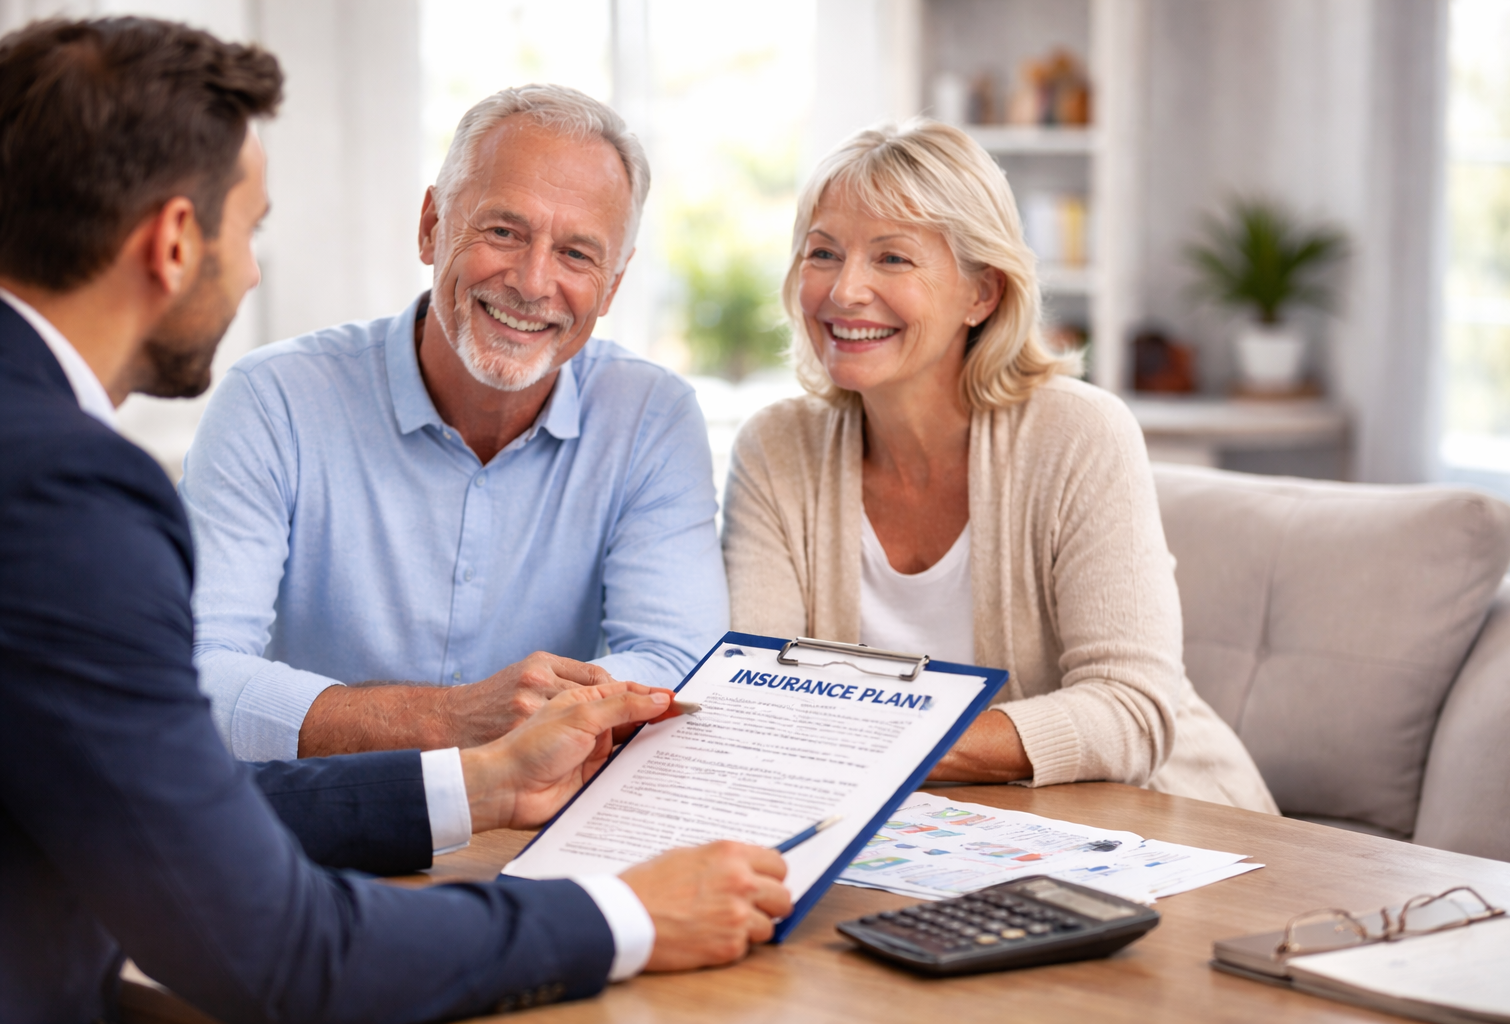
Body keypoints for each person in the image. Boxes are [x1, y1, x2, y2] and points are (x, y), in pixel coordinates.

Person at [0, 18, 790, 1023]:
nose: (252, 274)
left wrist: (480, 782)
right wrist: (624, 916)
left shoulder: (40, 454)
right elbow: (279, 946)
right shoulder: (68, 488)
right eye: (252, 230)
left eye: (575, 252)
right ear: (174, 242)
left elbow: (154, 797)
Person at [721, 119, 1278, 813]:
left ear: (981, 293)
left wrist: (883, 744)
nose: (845, 290)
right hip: (931, 831)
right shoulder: (774, 450)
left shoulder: (1080, 433)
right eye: (823, 253)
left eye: (892, 258)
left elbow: (1129, 710)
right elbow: (757, 702)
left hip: (1163, 820)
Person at [178, 82, 727, 763]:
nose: (532, 282)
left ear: (612, 284)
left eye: (577, 254)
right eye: (503, 231)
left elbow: (679, 661)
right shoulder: (273, 400)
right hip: (320, 813)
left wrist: (524, 721)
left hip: (541, 814)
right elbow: (193, 669)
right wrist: (448, 720)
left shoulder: (652, 418)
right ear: (431, 227)